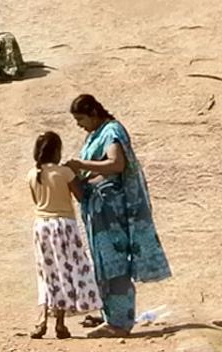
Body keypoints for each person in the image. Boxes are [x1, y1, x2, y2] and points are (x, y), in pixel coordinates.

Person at [67, 94, 171, 338]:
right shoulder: (94, 134)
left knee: (115, 262)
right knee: (103, 262)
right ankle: (109, 315)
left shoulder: (112, 131)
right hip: (97, 208)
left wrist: (80, 164)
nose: (79, 124)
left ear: (93, 112)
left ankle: (121, 322)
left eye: (81, 118)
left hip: (112, 210)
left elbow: (116, 164)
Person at [29, 131, 101, 339]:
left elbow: (36, 201)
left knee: (46, 272)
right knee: (64, 271)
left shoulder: (32, 174)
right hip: (64, 226)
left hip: (41, 225)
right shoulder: (65, 173)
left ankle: (41, 320)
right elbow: (80, 196)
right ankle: (59, 323)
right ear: (57, 151)